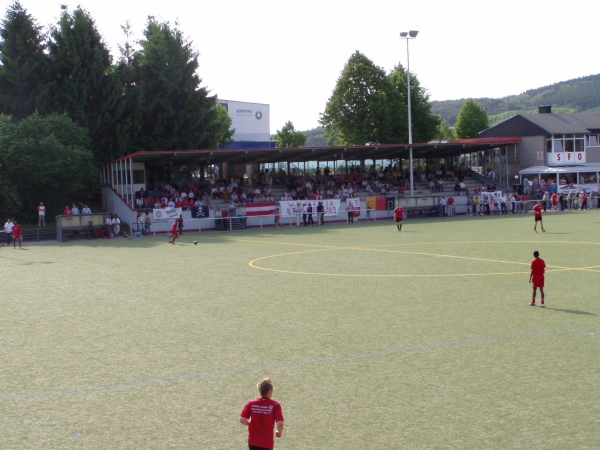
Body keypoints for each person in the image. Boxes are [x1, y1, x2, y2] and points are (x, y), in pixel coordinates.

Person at [239, 378, 284, 450]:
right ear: (269, 391)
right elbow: (280, 423)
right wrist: (279, 432)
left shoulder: (251, 403)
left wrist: (249, 423)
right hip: (267, 443)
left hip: (252, 442)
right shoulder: (275, 405)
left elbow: (242, 419)